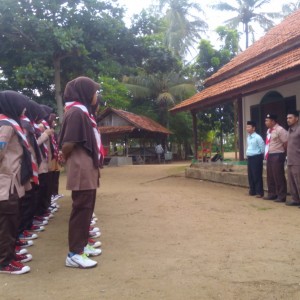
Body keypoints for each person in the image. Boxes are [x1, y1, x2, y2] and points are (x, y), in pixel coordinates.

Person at [59, 76, 102, 269]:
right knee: (81, 209)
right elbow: (68, 143)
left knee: (87, 208)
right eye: (94, 91)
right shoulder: (76, 112)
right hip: (81, 167)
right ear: (85, 92)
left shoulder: (82, 112)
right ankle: (74, 254)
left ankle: (82, 245)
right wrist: (63, 156)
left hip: (86, 166)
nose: (96, 95)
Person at [0, 91, 32, 275]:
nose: (24, 108)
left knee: (11, 221)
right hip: (6, 182)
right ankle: (4, 262)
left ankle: (9, 254)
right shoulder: (6, 125)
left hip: (13, 181)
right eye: (21, 104)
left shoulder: (10, 123)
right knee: (7, 222)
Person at [263, 114, 288, 203]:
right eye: (265, 120)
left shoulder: (280, 130)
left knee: (278, 175)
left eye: (267, 120)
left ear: (273, 121)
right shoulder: (269, 131)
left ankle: (281, 196)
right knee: (270, 175)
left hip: (278, 154)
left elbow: (286, 143)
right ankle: (272, 194)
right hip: (269, 155)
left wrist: (283, 153)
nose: (265, 122)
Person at [246, 121, 265, 198]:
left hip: (256, 157)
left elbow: (262, 147)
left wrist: (259, 155)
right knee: (250, 175)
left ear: (253, 128)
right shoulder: (248, 137)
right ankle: (252, 190)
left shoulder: (258, 137)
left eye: (249, 127)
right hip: (249, 157)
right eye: (246, 127)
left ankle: (259, 192)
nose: (247, 128)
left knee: (257, 175)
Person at [286, 111, 300, 206]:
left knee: (299, 181)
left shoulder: (299, 129)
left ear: (297, 118)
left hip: (297, 160)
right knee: (291, 182)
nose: (288, 120)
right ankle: (295, 199)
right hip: (290, 160)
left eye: (290, 118)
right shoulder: (289, 130)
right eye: (287, 118)